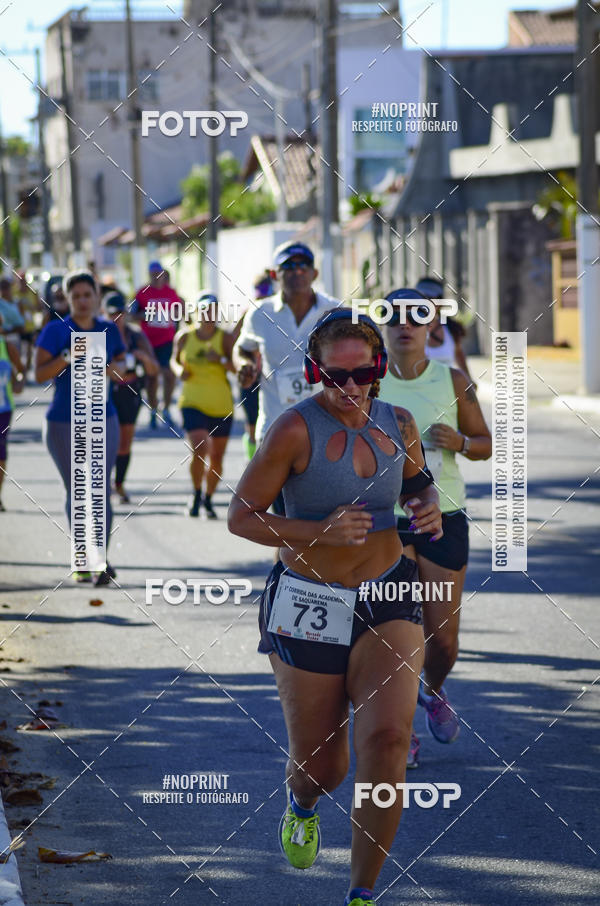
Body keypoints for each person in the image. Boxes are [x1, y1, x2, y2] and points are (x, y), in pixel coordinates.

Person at [228, 309, 443, 906]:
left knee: (389, 741)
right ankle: (301, 803)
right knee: (324, 768)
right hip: (308, 600)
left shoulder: (397, 422)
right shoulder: (292, 431)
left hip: (388, 593)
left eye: (362, 373)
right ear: (311, 370)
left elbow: (421, 484)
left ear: (379, 371)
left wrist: (426, 507)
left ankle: (362, 894)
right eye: (332, 374)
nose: (348, 388)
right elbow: (242, 518)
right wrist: (318, 532)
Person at [379, 288, 492, 768]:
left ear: (431, 326)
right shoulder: (368, 381)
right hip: (386, 519)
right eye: (394, 316)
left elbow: (486, 444)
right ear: (381, 325)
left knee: (442, 639)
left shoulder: (453, 379)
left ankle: (433, 690)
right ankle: (399, 731)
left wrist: (463, 440)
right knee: (397, 630)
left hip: (444, 515)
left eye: (416, 316)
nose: (405, 324)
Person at [34, 270, 126, 586]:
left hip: (104, 418)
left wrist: (115, 370)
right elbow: (38, 374)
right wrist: (67, 356)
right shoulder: (55, 331)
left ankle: (98, 559)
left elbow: (123, 368)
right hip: (63, 421)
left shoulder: (109, 330)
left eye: (88, 295)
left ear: (97, 297)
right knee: (77, 491)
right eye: (76, 297)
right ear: (67, 299)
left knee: (99, 490)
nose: (83, 302)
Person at [233, 241, 339, 513]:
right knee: (285, 521)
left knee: (322, 517)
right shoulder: (260, 313)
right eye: (288, 266)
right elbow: (243, 349)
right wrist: (244, 367)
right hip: (275, 429)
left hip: (326, 429)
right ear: (274, 275)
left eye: (303, 265)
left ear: (314, 273)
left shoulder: (335, 311)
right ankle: (286, 557)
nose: (297, 271)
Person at [172, 293, 235, 519]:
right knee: (200, 448)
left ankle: (208, 498)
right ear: (197, 312)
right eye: (205, 311)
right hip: (192, 400)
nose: (209, 316)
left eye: (214, 311)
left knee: (217, 458)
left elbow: (237, 367)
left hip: (221, 404)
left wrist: (220, 360)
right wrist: (180, 371)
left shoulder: (225, 339)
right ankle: (196, 492)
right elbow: (174, 360)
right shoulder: (184, 337)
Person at [104, 290, 159, 503]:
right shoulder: (99, 334)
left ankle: (119, 484)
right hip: (105, 392)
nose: (116, 318)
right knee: (105, 440)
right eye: (111, 314)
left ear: (126, 313)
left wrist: (142, 357)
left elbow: (154, 369)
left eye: (120, 313)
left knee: (124, 442)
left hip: (130, 392)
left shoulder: (136, 335)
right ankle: (103, 483)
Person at [131, 260, 182, 429]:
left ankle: (166, 408)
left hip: (167, 340)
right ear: (149, 275)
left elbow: (179, 311)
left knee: (169, 375)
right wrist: (147, 314)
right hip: (148, 342)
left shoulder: (171, 292)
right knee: (152, 378)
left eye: (158, 273)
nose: (156, 276)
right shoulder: (142, 293)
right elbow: (132, 315)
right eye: (152, 274)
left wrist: (175, 314)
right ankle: (153, 410)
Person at [233, 268, 277, 461]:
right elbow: (234, 342)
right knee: (252, 423)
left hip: (272, 376)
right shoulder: (249, 313)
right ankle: (252, 461)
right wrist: (241, 363)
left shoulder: (278, 312)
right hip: (252, 376)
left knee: (272, 422)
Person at [416, 276, 476, 386]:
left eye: (430, 297)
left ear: (440, 302)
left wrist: (469, 380)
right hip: (419, 392)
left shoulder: (451, 329)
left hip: (448, 393)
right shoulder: (408, 328)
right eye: (421, 297)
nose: (425, 302)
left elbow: (459, 354)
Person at [0, 333, 25, 511]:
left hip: (3, 409)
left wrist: (18, 384)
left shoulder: (7, 347)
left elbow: (21, 371)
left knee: (0, 451)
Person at [14, 272, 39, 373]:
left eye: (24, 280)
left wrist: (29, 306)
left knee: (29, 351)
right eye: (20, 280)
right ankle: (19, 371)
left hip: (29, 326)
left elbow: (38, 308)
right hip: (17, 326)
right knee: (18, 352)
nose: (22, 282)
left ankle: (26, 372)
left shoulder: (32, 292)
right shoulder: (13, 292)